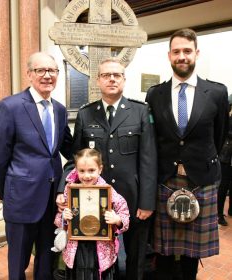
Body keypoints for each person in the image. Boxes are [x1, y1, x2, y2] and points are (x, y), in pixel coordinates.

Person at [56, 57, 157, 280]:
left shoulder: (140, 111)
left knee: (136, 256)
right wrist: (62, 191)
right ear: (98, 80)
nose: (112, 79)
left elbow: (149, 160)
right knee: (99, 258)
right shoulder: (86, 114)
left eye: (117, 75)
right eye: (106, 75)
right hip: (92, 202)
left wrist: (147, 201)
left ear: (124, 79)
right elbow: (76, 160)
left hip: (132, 198)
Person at [145, 28, 229, 280]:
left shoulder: (216, 92)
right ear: (169, 55)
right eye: (177, 51)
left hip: (200, 179)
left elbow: (219, 135)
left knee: (194, 251)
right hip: (166, 179)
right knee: (165, 250)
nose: (182, 56)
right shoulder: (155, 94)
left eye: (187, 51)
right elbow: (153, 137)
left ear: (196, 53)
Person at [0, 52, 73, 280]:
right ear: (29, 74)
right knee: (18, 260)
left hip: (53, 197)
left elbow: (67, 148)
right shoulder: (11, 106)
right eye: (40, 70)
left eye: (52, 70)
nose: (47, 75)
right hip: (21, 198)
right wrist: (9, 192)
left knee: (47, 254)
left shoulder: (59, 110)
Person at [54, 148, 130, 279]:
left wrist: (117, 219)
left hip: (101, 249)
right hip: (76, 248)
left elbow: (124, 213)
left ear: (100, 169)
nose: (86, 176)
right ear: (76, 170)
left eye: (91, 170)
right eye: (82, 171)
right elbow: (58, 219)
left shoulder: (108, 191)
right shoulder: (70, 190)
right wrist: (64, 218)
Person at [217, 94, 232, 226]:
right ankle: (219, 214)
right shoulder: (227, 116)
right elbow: (224, 131)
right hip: (226, 155)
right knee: (223, 186)